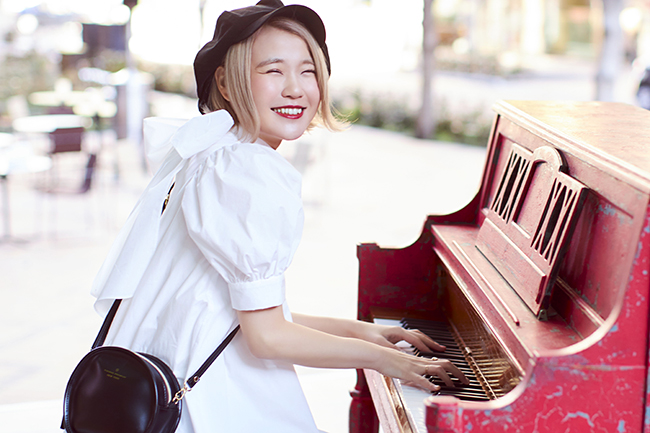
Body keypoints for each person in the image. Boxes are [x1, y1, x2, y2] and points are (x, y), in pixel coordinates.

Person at [90, 1, 468, 432]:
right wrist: (386, 361)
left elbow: (242, 314)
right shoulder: (244, 170)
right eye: (273, 71)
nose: (296, 89)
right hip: (204, 398)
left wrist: (363, 332)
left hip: (164, 375)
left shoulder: (218, 151)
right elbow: (267, 337)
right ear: (227, 84)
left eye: (307, 71)